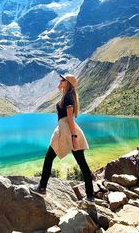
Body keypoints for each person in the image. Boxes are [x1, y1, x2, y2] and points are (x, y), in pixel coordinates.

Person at [29, 73, 95, 202]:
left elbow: (70, 119)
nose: (60, 80)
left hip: (67, 132)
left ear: (68, 83)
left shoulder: (68, 97)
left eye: (63, 79)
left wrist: (74, 137)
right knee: (82, 164)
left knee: (49, 158)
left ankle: (42, 188)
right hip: (66, 130)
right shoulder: (67, 95)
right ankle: (90, 196)